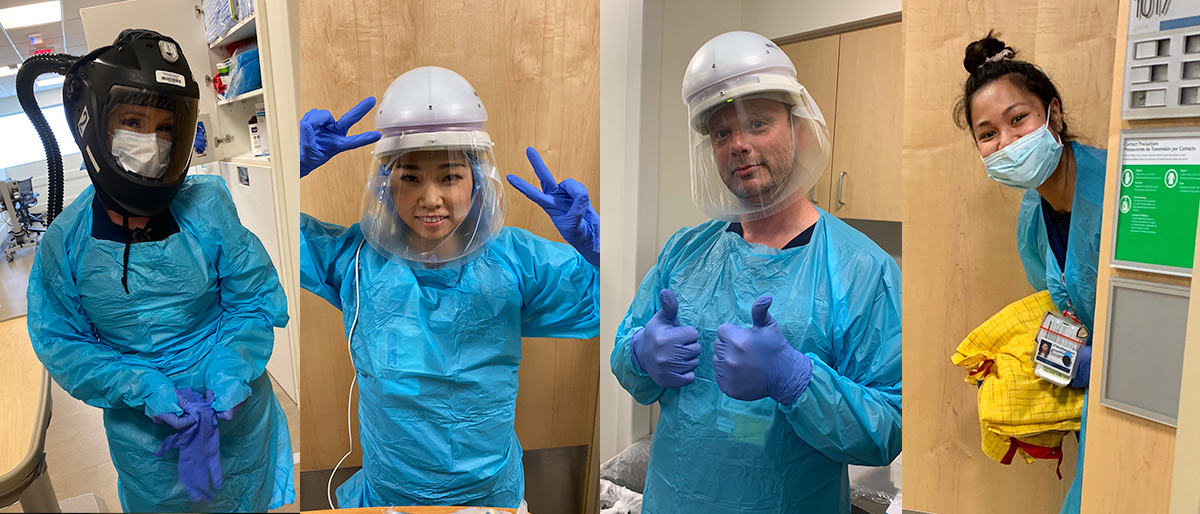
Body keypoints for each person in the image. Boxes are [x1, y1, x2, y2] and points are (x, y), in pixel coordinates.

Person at [610, 31, 902, 513]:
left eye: (758, 123)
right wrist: (640, 354)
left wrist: (796, 380)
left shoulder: (861, 269)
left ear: (799, 129)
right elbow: (627, 360)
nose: (739, 145)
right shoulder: (685, 251)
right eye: (722, 133)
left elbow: (886, 428)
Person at [299, 66, 600, 509]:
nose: (431, 198)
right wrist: (294, 165)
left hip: (490, 495)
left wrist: (598, 250)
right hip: (390, 494)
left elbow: (615, 303)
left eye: (450, 176)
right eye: (411, 178)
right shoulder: (357, 261)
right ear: (386, 185)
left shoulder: (516, 261)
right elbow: (270, 241)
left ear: (476, 180)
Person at [25, 30, 293, 512]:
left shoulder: (207, 206)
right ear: (94, 126)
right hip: (147, 442)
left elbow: (252, 301)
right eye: (132, 121)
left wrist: (231, 367)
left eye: (166, 127)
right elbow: (62, 342)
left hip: (239, 418)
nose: (151, 143)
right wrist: (142, 387)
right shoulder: (66, 242)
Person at [954, 32, 1102, 514]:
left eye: (1019, 119)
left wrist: (1101, 365)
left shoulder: (1128, 193)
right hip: (1093, 412)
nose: (1008, 142)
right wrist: (1034, 361)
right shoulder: (1031, 219)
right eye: (988, 133)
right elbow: (1059, 310)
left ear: (1053, 114)